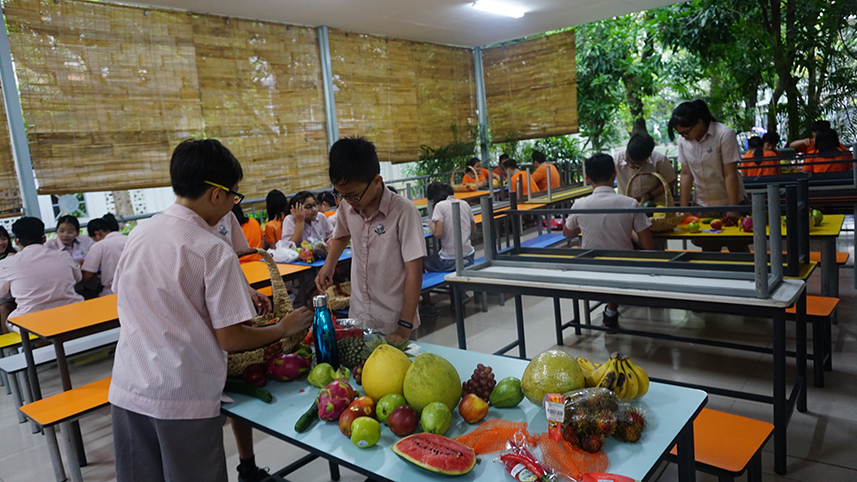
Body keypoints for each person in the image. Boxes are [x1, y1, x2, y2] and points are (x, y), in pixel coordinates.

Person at [108, 139, 313, 482]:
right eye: (235, 195)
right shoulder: (213, 249)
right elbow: (231, 339)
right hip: (181, 395)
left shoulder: (141, 233)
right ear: (217, 194)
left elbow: (134, 296)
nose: (234, 203)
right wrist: (283, 328)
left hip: (129, 387)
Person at [315, 137, 425, 343]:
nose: (349, 201)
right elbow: (341, 234)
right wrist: (328, 266)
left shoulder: (404, 212)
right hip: (359, 317)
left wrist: (404, 327)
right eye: (341, 194)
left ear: (376, 181)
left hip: (394, 321)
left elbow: (414, 272)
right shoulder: (347, 206)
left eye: (354, 195)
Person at [562, 153, 653, 332]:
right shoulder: (630, 203)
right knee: (620, 250)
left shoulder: (580, 204)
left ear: (587, 179)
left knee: (578, 247)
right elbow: (648, 246)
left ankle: (610, 313)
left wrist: (586, 225)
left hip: (590, 271)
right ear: (614, 174)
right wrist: (630, 232)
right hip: (625, 270)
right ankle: (611, 312)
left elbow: (567, 232)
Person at [669, 99, 748, 252]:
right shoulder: (683, 141)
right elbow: (685, 174)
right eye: (680, 134)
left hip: (730, 200)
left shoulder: (724, 134)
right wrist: (684, 208)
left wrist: (733, 208)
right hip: (703, 203)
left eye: (686, 132)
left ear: (699, 122)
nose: (683, 136)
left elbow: (730, 173)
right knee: (709, 249)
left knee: (738, 247)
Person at [0, 217, 83, 333]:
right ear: (44, 239)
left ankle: (17, 345)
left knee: (10, 320)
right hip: (72, 312)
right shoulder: (63, 256)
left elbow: (1, 291)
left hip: (33, 321)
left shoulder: (8, 263)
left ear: (17, 242)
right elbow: (78, 278)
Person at [424, 182, 477, 272]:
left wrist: (432, 225)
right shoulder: (464, 203)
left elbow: (438, 234)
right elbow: (474, 229)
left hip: (450, 260)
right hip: (469, 256)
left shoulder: (439, 206)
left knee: (426, 261)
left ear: (434, 198)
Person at [613, 133, 677, 204]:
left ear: (648, 156)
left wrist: (650, 196)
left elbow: (670, 180)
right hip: (625, 205)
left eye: (636, 164)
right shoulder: (615, 159)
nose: (631, 166)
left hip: (654, 205)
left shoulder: (660, 160)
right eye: (627, 160)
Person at [81, 214, 127, 297]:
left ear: (97, 234)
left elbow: (87, 275)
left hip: (113, 292)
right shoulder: (129, 239)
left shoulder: (100, 245)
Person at [0, 226, 17, 334]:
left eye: (4, 239)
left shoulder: (15, 254)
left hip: (15, 295)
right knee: (4, 308)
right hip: (3, 297)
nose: (1, 243)